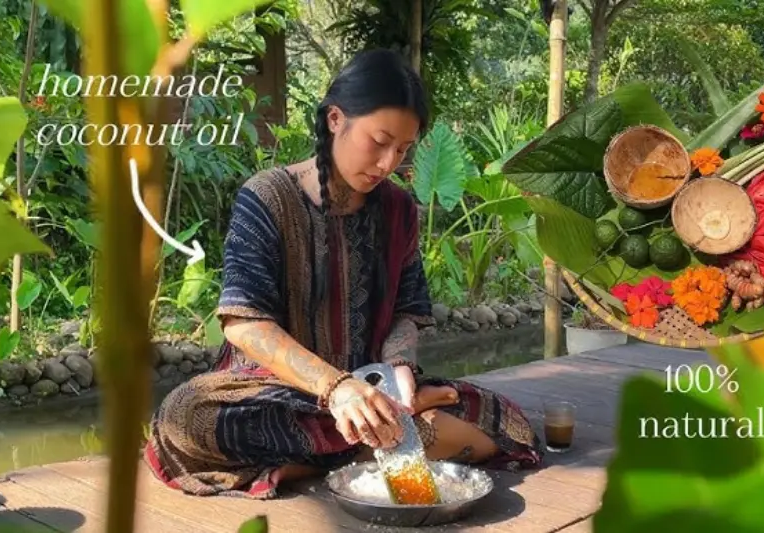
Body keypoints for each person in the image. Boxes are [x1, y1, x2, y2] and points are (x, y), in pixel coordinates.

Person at [143, 48, 544, 499]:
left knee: (510, 421)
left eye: (403, 149)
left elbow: (407, 312)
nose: (389, 163)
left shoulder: (398, 209)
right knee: (184, 417)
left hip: (374, 390)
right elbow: (245, 324)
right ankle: (381, 442)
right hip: (271, 391)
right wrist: (336, 389)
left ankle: (338, 450)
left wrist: (397, 372)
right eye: (380, 140)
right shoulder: (266, 197)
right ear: (336, 119)